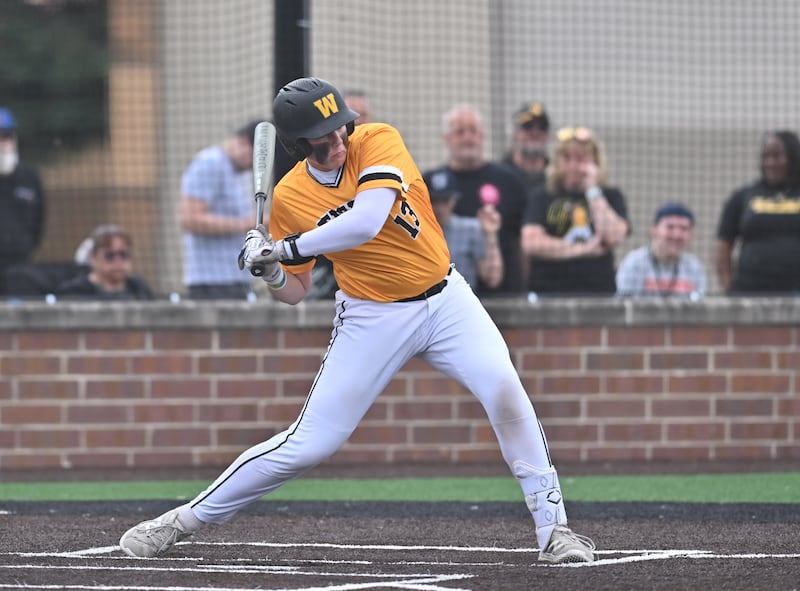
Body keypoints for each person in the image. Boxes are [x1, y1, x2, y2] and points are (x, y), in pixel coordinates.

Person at [118, 77, 596, 565]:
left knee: (506, 390)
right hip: (371, 315)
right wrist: (270, 272)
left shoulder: (376, 139)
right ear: (298, 145)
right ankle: (181, 521)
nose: (338, 141)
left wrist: (282, 248)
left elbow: (366, 220)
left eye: (339, 128)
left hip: (447, 298)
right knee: (309, 444)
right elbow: (295, 293)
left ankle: (554, 532)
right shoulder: (288, 198)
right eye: (322, 138)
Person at [423, 105, 528, 298]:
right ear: (446, 138)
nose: (467, 138)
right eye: (459, 132)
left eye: (473, 131)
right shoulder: (429, 183)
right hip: (442, 297)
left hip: (503, 296)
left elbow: (521, 240)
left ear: (482, 136)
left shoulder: (509, 181)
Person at [521, 126, 630, 296]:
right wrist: (584, 249)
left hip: (598, 294)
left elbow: (614, 235)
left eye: (580, 159)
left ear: (594, 161)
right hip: (548, 293)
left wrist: (593, 191)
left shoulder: (610, 196)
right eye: (567, 158)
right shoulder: (542, 196)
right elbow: (532, 243)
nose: (573, 165)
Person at [180, 119, 262, 300]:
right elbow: (190, 219)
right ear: (242, 141)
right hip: (211, 283)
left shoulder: (241, 172)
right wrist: (251, 224)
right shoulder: (209, 163)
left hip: (238, 278)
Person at [715, 130, 800, 294]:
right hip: (751, 292)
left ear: (793, 157)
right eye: (766, 157)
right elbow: (723, 244)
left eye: (777, 156)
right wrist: (729, 287)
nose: (770, 162)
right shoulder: (744, 196)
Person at [616, 203, 706, 298]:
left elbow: (699, 305)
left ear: (691, 235)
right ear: (654, 230)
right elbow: (624, 304)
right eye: (670, 227)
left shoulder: (694, 268)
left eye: (683, 229)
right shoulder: (635, 263)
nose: (677, 235)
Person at [428, 178, 503, 292]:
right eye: (434, 201)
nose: (439, 208)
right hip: (427, 301)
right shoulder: (416, 229)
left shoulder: (471, 228)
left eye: (445, 200)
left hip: (462, 299)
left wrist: (490, 235)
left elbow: (492, 278)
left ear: (453, 200)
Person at [0, 107, 45, 295]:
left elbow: (38, 221)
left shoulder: (29, 177)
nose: (3, 143)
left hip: (20, 267)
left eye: (6, 136)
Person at [55, 224, 154, 300]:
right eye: (109, 256)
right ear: (93, 257)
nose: (118, 261)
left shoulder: (138, 290)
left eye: (123, 254)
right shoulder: (74, 292)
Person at [500, 100, 551, 192]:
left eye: (542, 127)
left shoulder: (555, 178)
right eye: (528, 126)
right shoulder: (500, 175)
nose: (535, 132)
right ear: (515, 134)